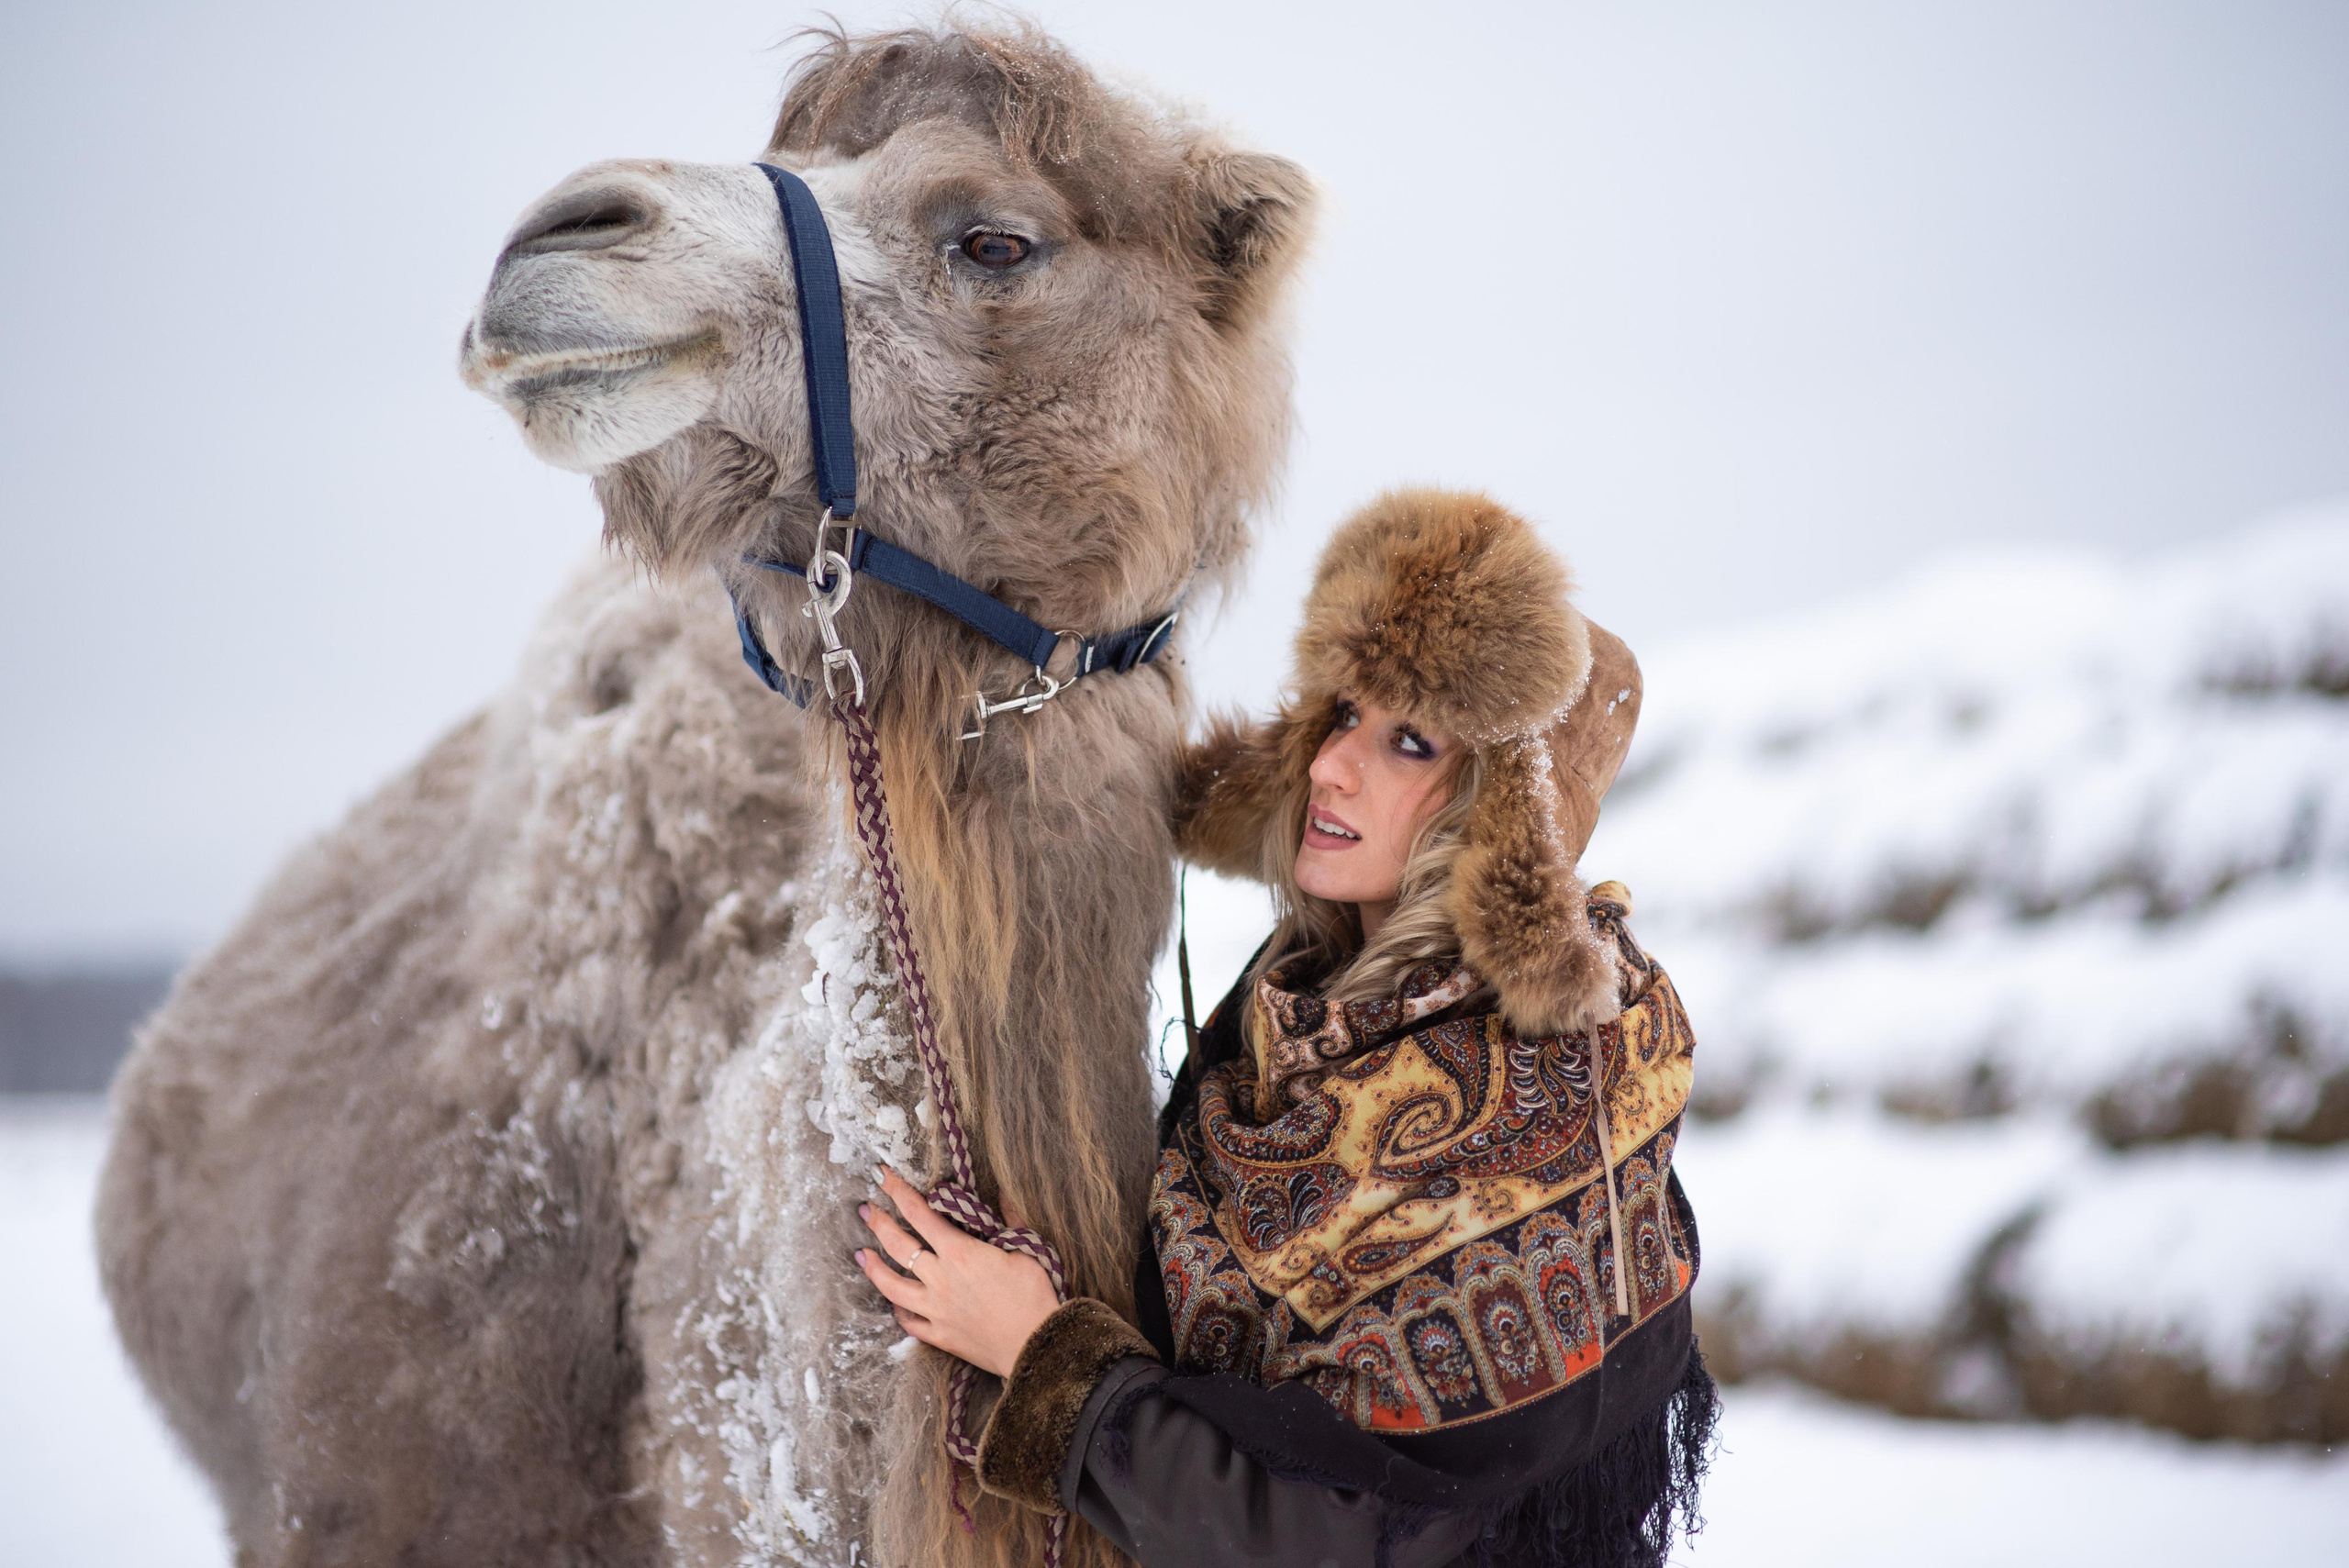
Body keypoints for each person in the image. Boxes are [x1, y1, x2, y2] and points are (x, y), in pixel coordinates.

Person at [855, 489, 1717, 1566]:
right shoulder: (1303, 1006)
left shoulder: (1535, 1106)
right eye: (1341, 713)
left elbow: (1334, 1534)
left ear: (1496, 817)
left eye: (1407, 741)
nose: (1328, 765)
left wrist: (1043, 1357)